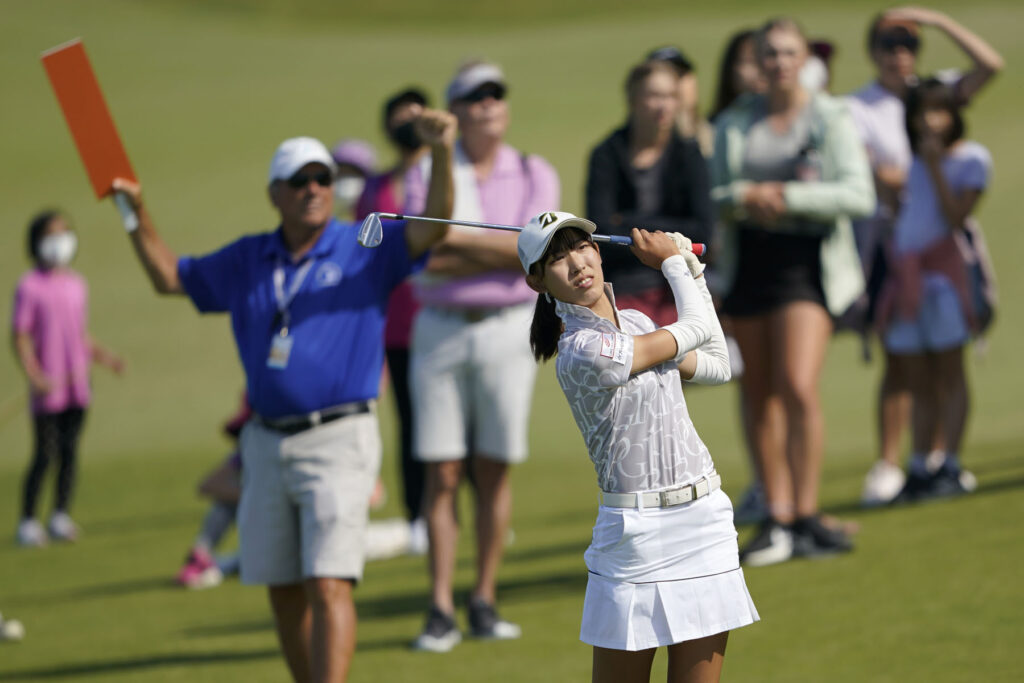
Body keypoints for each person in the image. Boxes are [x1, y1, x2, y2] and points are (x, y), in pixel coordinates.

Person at [111, 109, 456, 683]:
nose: (314, 190)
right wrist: (134, 212)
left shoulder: (364, 242)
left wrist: (441, 153)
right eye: (299, 181)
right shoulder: (249, 258)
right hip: (265, 445)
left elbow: (436, 227)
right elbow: (170, 278)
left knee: (328, 581)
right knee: (283, 590)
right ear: (275, 193)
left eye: (322, 178)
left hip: (339, 437)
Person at [519, 212, 758, 683]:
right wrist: (673, 265)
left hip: (702, 521)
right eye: (556, 258)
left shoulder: (636, 321)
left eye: (581, 247)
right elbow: (692, 328)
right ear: (537, 281)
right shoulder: (580, 351)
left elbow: (716, 361)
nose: (577, 263)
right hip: (635, 537)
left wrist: (691, 270)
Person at [404, 59, 560, 652]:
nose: (488, 105)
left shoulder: (531, 169)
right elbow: (425, 248)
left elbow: (537, 254)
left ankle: (484, 598)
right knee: (442, 472)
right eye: (475, 98)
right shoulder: (431, 169)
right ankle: (440, 605)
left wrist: (461, 243)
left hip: (507, 327)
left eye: (496, 95)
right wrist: (502, 246)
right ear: (456, 111)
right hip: (440, 326)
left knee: (493, 468)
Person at [710, 17, 875, 566]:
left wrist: (787, 198)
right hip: (751, 264)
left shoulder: (829, 115)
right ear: (756, 61)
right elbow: (720, 192)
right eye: (769, 54)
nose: (779, 63)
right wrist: (746, 196)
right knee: (758, 392)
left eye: (788, 53)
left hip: (807, 266)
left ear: (803, 58)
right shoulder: (736, 121)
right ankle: (777, 514)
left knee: (798, 385)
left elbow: (857, 195)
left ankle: (805, 513)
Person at [844, 7, 1003, 506]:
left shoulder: (933, 97)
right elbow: (873, 173)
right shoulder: (860, 107)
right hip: (894, 250)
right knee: (904, 362)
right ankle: (901, 464)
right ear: (872, 51)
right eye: (889, 44)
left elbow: (990, 66)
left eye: (908, 44)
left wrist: (934, 20)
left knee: (945, 365)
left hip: (942, 258)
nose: (899, 54)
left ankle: (942, 461)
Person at [878, 77, 990, 501]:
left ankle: (953, 463)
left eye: (938, 111)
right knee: (918, 376)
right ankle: (921, 463)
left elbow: (955, 217)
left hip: (944, 281)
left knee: (950, 371)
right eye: (922, 112)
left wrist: (935, 166)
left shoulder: (972, 159)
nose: (929, 120)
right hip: (908, 280)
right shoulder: (917, 159)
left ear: (954, 115)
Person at [12, 211, 124, 547]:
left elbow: (79, 335)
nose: (59, 240)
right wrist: (34, 374)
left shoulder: (77, 284)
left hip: (77, 382)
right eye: (51, 234)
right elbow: (19, 336)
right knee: (44, 454)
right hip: (49, 385)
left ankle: (60, 514)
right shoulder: (29, 286)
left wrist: (105, 358)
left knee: (70, 451)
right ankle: (29, 520)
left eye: (64, 232)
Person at [355, 87, 433, 555]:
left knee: (453, 422)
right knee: (411, 422)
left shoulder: (446, 178)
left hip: (440, 315)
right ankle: (417, 517)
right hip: (397, 324)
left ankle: (456, 512)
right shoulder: (374, 187)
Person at [586, 59, 713, 326]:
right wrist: (671, 236)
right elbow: (601, 233)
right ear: (633, 99)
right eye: (654, 95)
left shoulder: (690, 155)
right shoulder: (606, 155)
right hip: (623, 289)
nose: (663, 105)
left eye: (670, 96)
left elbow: (703, 231)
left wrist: (630, 223)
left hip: (679, 288)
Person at [175, 394, 250, 589]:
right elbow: (207, 485)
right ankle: (203, 557)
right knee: (225, 503)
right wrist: (252, 497)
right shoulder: (247, 451)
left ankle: (216, 566)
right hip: (266, 520)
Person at [646, 46, 714, 157]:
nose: (674, 85)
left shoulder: (721, 131)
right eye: (665, 77)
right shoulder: (622, 148)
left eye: (680, 75)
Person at [709, 29, 766, 124]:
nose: (762, 70)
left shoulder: (795, 125)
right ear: (731, 68)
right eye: (752, 61)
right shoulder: (712, 127)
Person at [329, 138, 376, 220]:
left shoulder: (374, 221)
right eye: (342, 174)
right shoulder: (324, 220)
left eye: (353, 174)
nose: (346, 181)